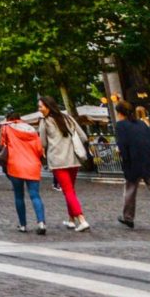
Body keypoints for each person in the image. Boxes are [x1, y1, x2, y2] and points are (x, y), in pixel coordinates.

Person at [114, 101, 150, 232]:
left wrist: (124, 159)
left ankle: (128, 218)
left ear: (120, 113)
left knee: (130, 191)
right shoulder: (142, 124)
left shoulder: (121, 126)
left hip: (134, 163)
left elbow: (122, 145)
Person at [36, 97, 90, 231]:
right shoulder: (68, 118)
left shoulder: (45, 122)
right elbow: (83, 136)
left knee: (68, 191)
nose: (39, 109)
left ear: (48, 106)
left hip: (58, 160)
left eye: (40, 106)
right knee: (70, 190)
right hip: (73, 159)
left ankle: (82, 219)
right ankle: (72, 220)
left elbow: (42, 143)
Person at [0, 110, 46, 234]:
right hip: (32, 165)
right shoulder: (31, 129)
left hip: (15, 164)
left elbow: (2, 144)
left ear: (8, 118)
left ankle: (23, 224)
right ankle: (41, 223)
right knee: (35, 195)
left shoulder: (6, 128)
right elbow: (40, 149)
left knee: (19, 196)